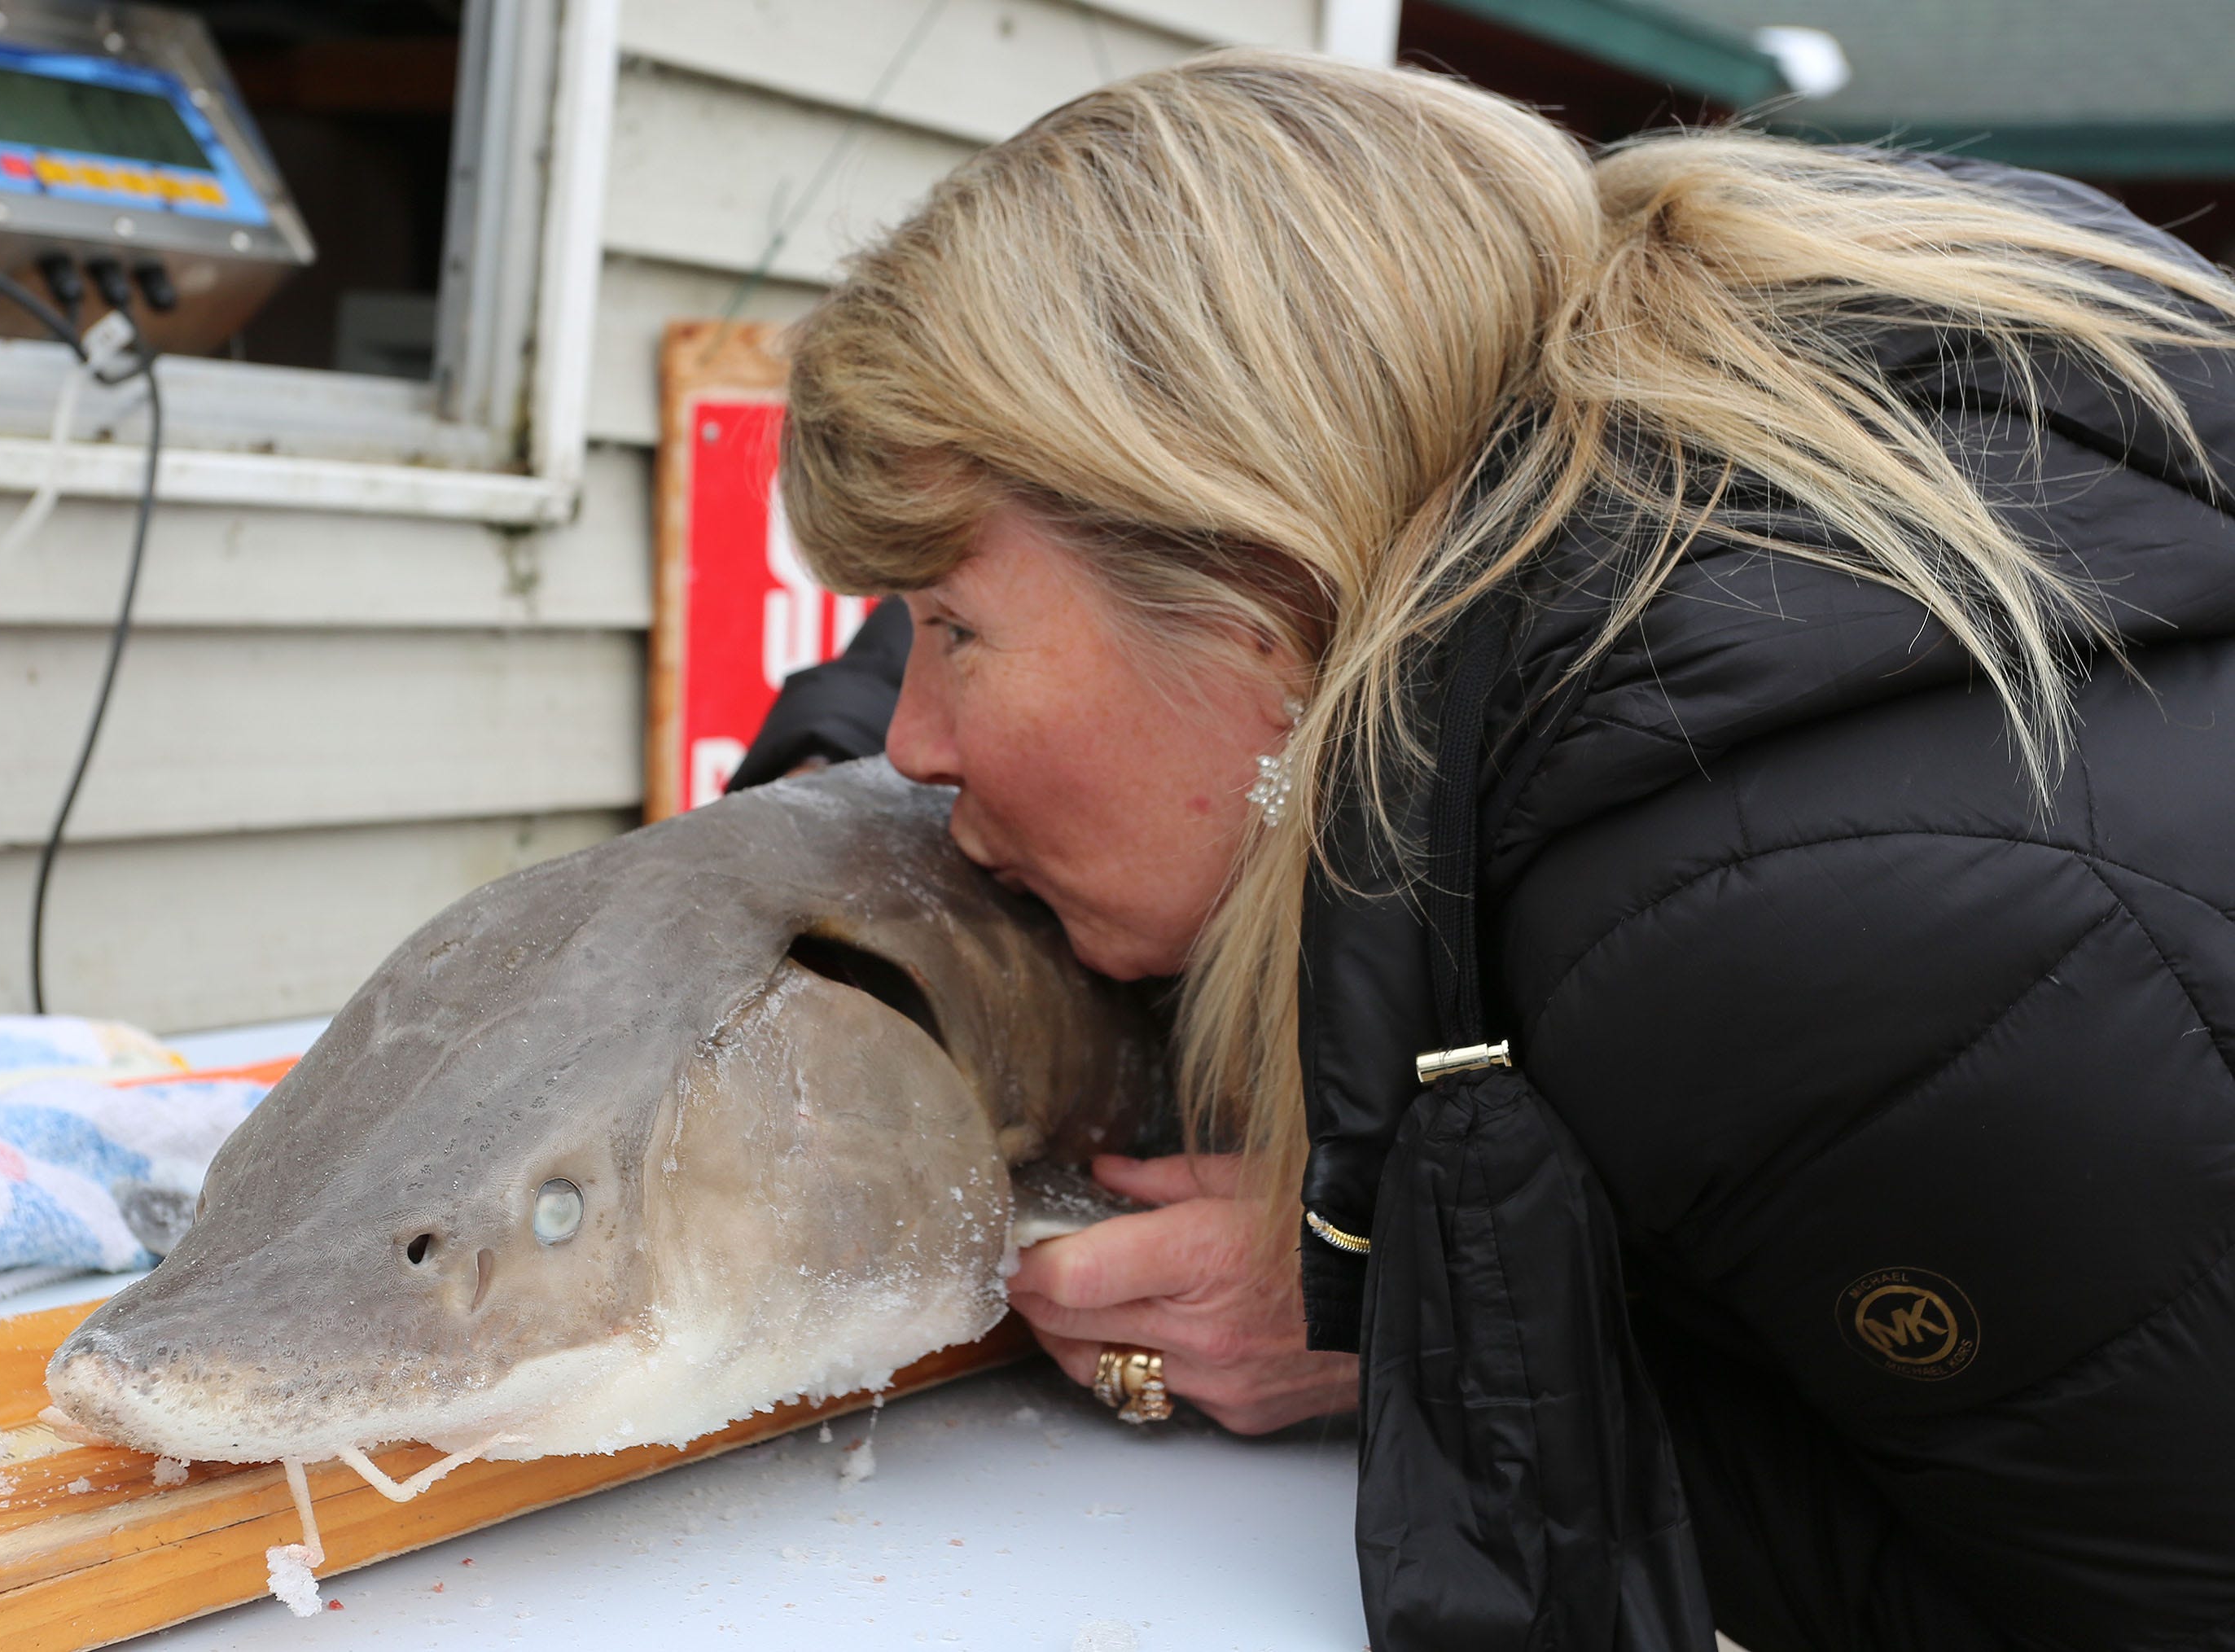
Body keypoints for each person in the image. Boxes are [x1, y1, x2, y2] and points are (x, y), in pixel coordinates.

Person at [733, 50, 2235, 1651]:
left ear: (1251, 574)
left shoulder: (1805, 917)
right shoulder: (1640, 569)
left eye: (953, 629)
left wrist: (1425, 1336)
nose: (912, 742)